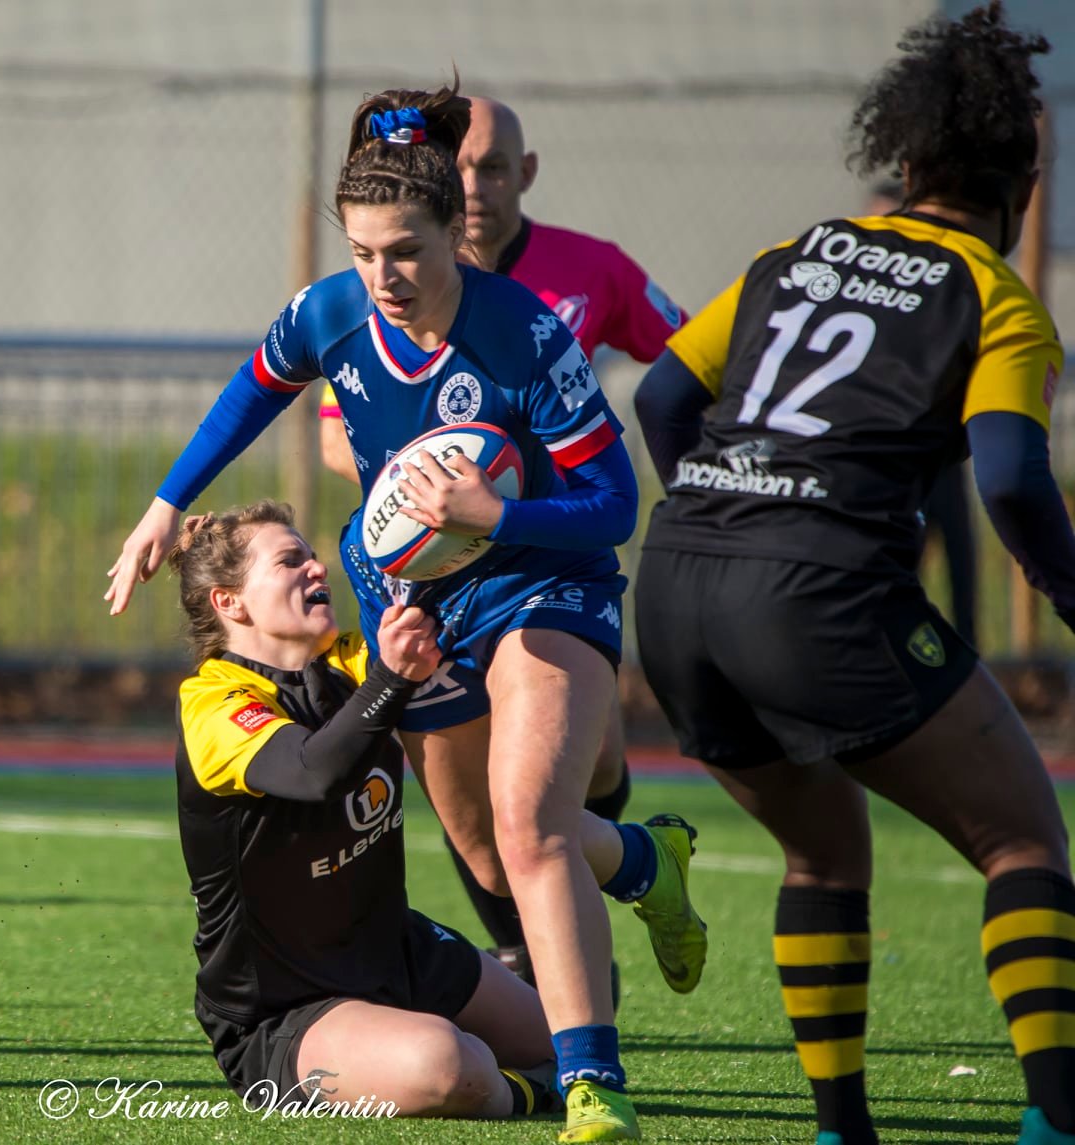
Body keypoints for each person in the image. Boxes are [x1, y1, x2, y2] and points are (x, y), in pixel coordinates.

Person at [107, 82, 708, 1142]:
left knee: (528, 825)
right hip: (420, 596)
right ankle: (648, 861)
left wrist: (499, 509)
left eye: (405, 250)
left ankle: (593, 1091)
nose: (381, 276)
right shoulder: (331, 311)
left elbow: (613, 504)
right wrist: (166, 502)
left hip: (542, 582)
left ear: (455, 234)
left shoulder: (523, 335)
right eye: (362, 251)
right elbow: (254, 387)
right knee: (484, 849)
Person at [631, 6, 1073, 1143]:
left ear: (907, 152)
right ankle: (1059, 1114)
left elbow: (664, 399)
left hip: (677, 584)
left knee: (821, 845)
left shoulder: (798, 253)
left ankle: (841, 1127)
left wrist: (732, 514)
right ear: (1022, 169)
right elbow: (1015, 478)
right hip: (813, 591)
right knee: (1021, 836)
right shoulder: (998, 294)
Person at [319, 95, 687, 989]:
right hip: (433, 564)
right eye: (464, 165)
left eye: (493, 168)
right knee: (485, 825)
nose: (477, 185)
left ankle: (601, 907)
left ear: (524, 173)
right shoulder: (382, 290)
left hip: (546, 561)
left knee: (567, 785)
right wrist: (419, 498)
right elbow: (338, 431)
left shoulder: (583, 275)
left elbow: (684, 364)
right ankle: (536, 956)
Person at [168, 500, 561, 1119]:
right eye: (290, 561)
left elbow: (453, 642)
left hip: (398, 950)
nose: (317, 569)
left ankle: (484, 1044)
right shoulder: (214, 702)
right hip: (286, 1007)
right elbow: (310, 769)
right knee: (449, 1067)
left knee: (571, 1030)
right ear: (230, 602)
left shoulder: (352, 660)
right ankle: (528, 1091)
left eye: (313, 556)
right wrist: (392, 678)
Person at [867, 179, 982, 646]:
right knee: (889, 570)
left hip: (933, 454)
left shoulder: (939, 294)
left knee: (959, 554)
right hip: (875, 461)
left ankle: (967, 652)